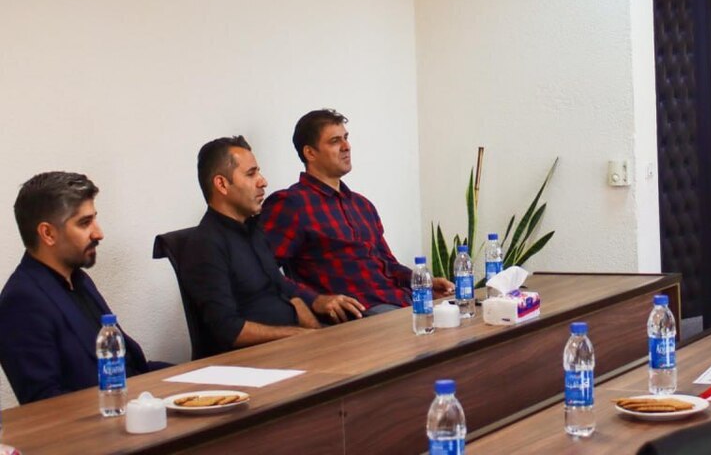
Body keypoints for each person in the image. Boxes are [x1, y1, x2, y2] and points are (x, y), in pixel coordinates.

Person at [178, 136, 365, 357]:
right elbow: (228, 330)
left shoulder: (253, 228)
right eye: (251, 174)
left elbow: (281, 286)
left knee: (364, 344)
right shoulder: (206, 244)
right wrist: (299, 335)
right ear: (222, 184)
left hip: (295, 347)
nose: (263, 181)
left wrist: (316, 305)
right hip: (256, 361)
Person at [260, 109, 452, 314]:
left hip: (399, 299)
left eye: (346, 138)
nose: (346, 146)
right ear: (310, 153)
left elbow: (387, 264)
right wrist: (315, 300)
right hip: (361, 311)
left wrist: (424, 282)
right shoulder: (291, 203)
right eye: (335, 141)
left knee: (461, 310)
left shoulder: (362, 205)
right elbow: (262, 270)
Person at [0, 172, 168, 404]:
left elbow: (129, 369)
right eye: (84, 223)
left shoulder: (79, 280)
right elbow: (44, 404)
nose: (98, 233)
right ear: (48, 233)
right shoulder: (21, 300)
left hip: (135, 403)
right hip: (103, 420)